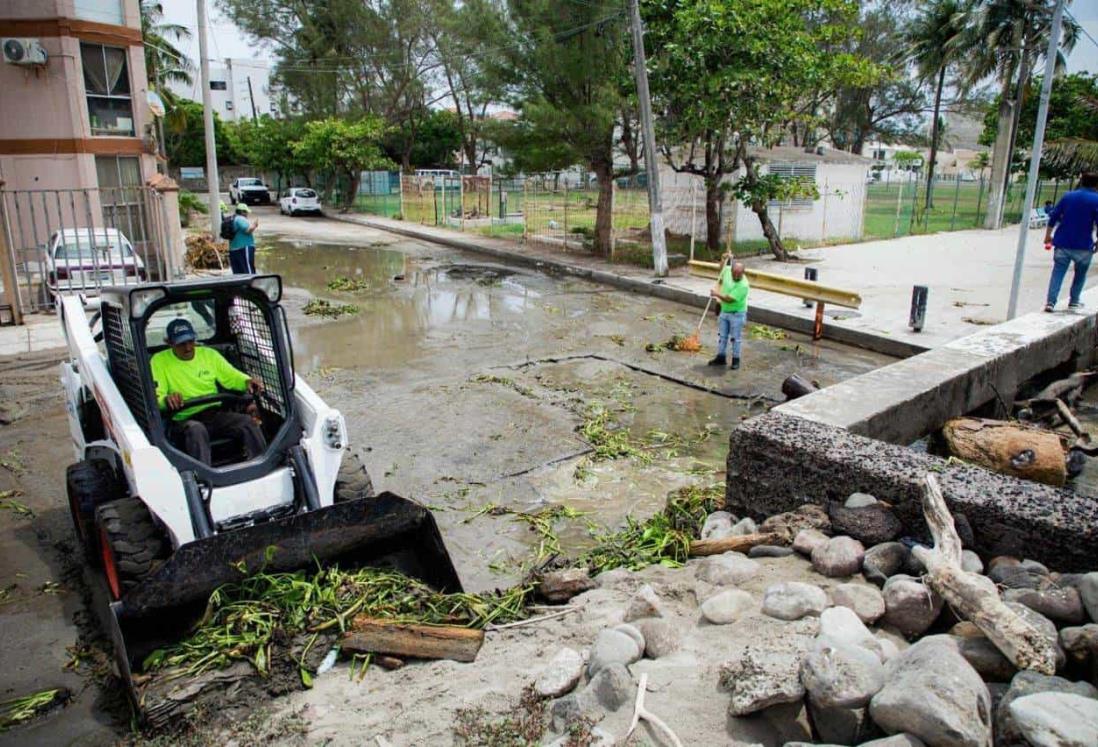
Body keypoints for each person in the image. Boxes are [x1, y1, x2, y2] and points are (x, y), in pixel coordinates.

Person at [151, 318, 267, 465]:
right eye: (181, 344)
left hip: (213, 414)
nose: (187, 348)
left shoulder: (208, 355)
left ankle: (260, 465)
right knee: (196, 430)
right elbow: (157, 397)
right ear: (169, 343)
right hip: (183, 419)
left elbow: (232, 376)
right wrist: (167, 400)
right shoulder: (159, 361)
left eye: (190, 341)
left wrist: (247, 382)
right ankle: (204, 478)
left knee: (248, 423)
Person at [1044, 172, 1098, 312]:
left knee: (1057, 273)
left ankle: (1050, 301)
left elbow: (1054, 216)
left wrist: (1048, 236)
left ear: (1081, 181)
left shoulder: (1068, 196)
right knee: (1080, 274)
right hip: (1084, 245)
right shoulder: (1096, 199)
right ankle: (1074, 301)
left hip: (1062, 242)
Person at [707, 257, 749, 370]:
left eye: (738, 274)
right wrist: (723, 259)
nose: (736, 276)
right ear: (731, 271)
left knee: (735, 338)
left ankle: (736, 360)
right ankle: (721, 357)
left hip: (737, 314)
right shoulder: (727, 271)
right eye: (734, 273)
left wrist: (716, 294)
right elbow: (722, 269)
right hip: (724, 312)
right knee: (722, 336)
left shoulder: (743, 285)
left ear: (743, 273)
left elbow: (729, 299)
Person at [228, 203, 259, 275]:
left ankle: (240, 285)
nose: (247, 214)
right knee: (248, 270)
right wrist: (255, 225)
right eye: (246, 212)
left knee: (238, 272)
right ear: (242, 212)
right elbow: (248, 230)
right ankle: (250, 283)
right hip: (244, 248)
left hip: (233, 249)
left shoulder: (232, 219)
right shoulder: (240, 219)